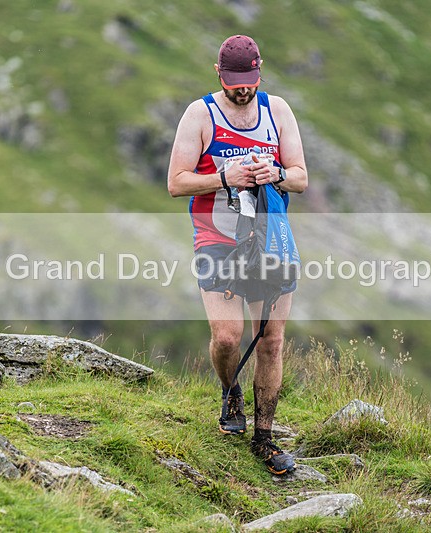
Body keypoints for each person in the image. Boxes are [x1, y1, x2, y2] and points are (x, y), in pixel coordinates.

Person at [167, 35, 308, 475]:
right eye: (233, 82)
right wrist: (223, 177)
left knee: (271, 340)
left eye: (248, 81)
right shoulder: (200, 114)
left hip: (270, 239)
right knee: (227, 336)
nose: (241, 89)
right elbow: (176, 182)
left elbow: (301, 178)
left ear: (259, 72)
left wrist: (277, 173)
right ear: (219, 74)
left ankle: (265, 438)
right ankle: (230, 390)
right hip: (217, 239)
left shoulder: (277, 110)